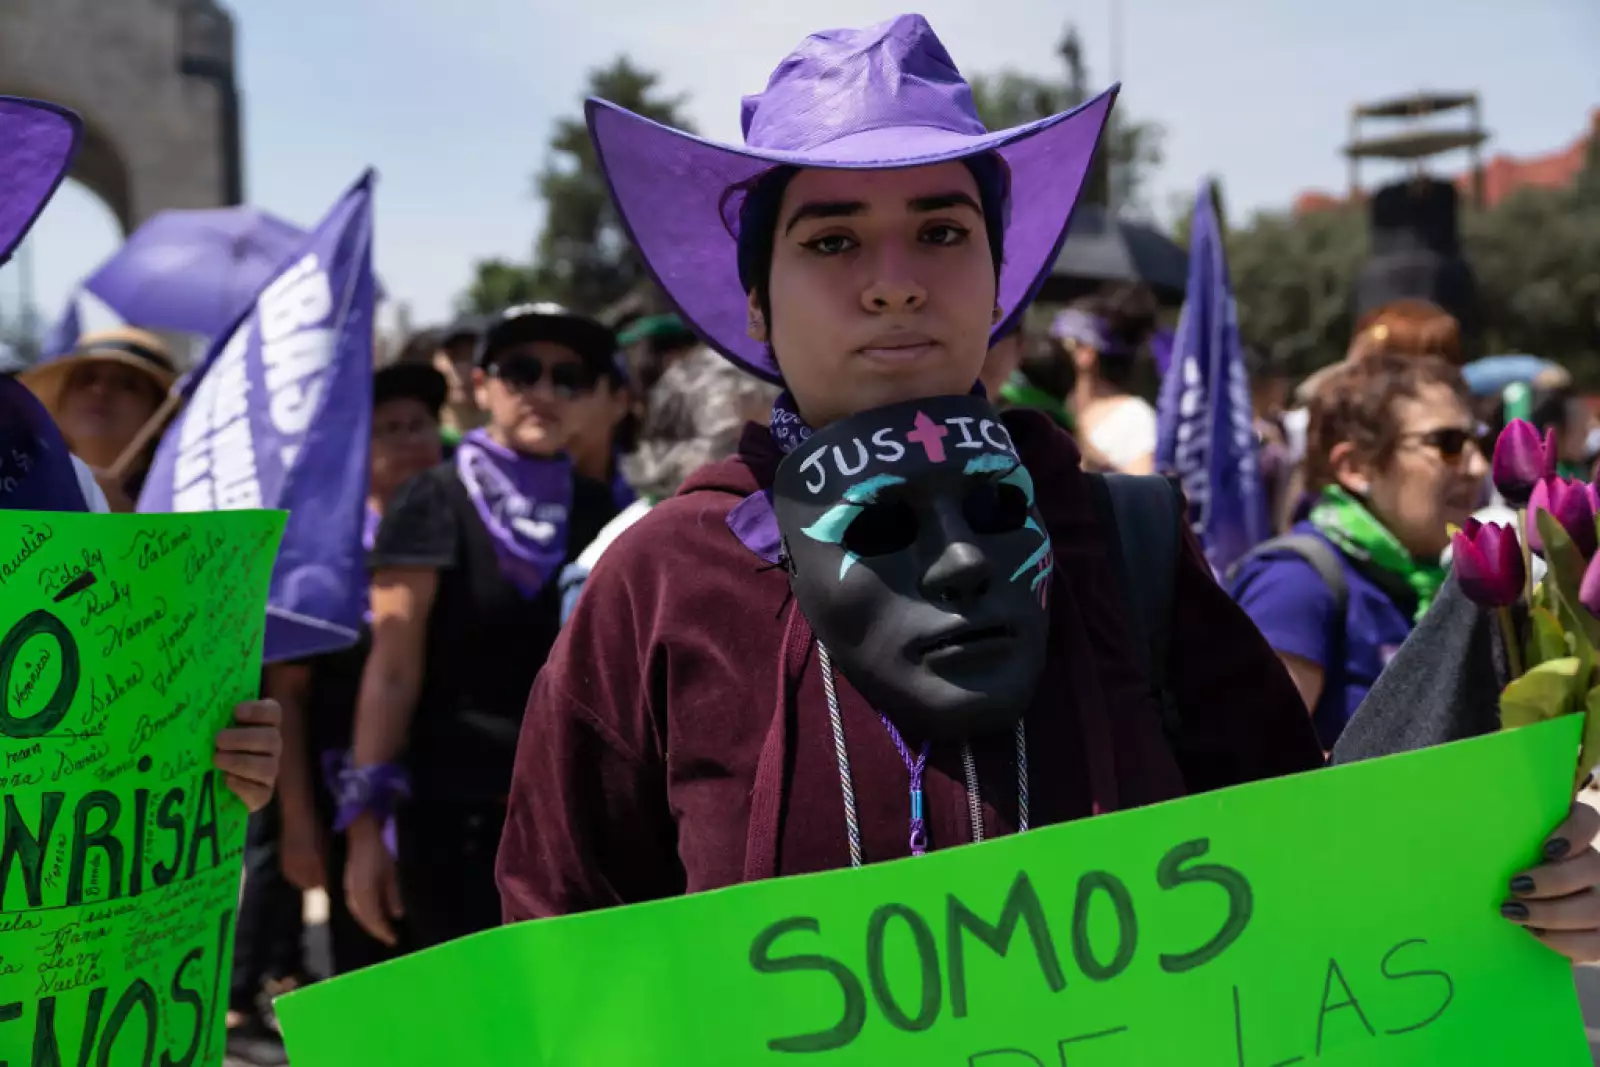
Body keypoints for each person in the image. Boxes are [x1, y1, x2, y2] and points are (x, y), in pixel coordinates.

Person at [497, 16, 1600, 967]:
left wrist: (1521, 880)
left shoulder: (1124, 539)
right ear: (753, 301)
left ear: (997, 275)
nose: (892, 278)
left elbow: (1310, 862)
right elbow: (559, 931)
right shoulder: (662, 578)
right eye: (830, 238)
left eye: (941, 229)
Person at [340, 303, 619, 951]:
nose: (544, 391)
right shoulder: (432, 498)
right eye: (521, 371)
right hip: (454, 826)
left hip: (577, 829)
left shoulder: (605, 509)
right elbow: (391, 670)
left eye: (567, 377)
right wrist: (363, 830)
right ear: (482, 385)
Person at [268, 361, 448, 976]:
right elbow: (286, 696)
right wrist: (297, 824)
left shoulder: (470, 537)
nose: (409, 441)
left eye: (419, 425)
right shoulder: (319, 560)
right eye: (389, 428)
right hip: (346, 804)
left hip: (444, 807)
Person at [1228, 353, 1489, 749]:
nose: (1478, 467)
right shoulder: (1295, 585)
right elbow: (1253, 770)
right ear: (1355, 467)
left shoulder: (1435, 582)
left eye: (1478, 441)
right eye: (1448, 444)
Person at [558, 345, 778, 623]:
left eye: (775, 439)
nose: (766, 459)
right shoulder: (608, 569)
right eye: (736, 444)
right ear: (675, 450)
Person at [19, 326, 177, 509]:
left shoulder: (185, 502)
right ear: (58, 406)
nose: (100, 390)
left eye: (127, 384)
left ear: (161, 416)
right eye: (85, 379)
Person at [1053, 283, 1160, 474]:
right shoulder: (1058, 403)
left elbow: (1144, 492)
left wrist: (1091, 460)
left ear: (1086, 352)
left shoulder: (1134, 417)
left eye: (1065, 342)